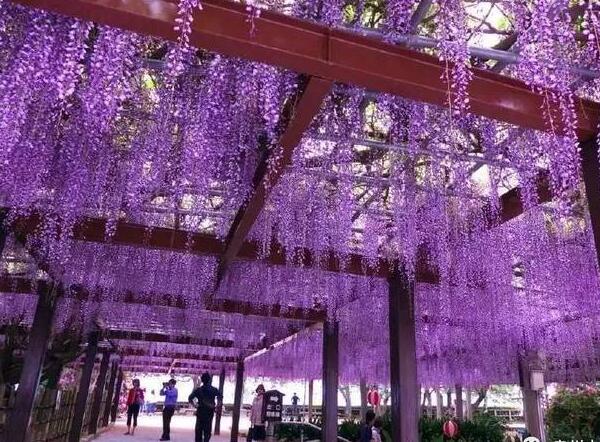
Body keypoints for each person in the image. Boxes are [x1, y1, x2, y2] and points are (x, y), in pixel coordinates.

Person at [188, 373, 222, 442]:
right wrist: (216, 406)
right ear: (209, 380)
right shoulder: (214, 389)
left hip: (200, 411)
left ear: (202, 380)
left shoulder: (198, 390)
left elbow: (190, 398)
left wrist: (195, 405)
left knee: (198, 431)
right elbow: (220, 397)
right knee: (207, 431)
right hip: (209, 412)